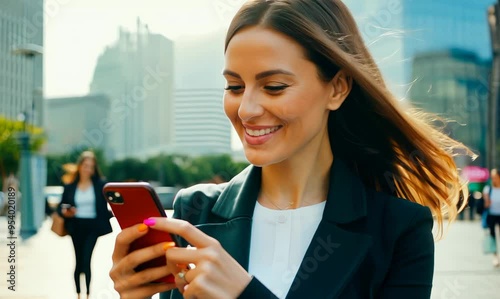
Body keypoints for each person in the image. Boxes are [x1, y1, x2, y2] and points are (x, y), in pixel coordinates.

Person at [109, 1, 471, 298]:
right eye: (234, 87)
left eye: (274, 86)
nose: (247, 109)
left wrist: (244, 295)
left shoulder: (399, 229)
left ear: (337, 89)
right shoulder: (195, 213)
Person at [57, 151, 112, 299]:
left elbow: (108, 204)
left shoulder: (100, 185)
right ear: (80, 166)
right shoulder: (70, 186)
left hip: (93, 227)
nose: (88, 169)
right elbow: (60, 206)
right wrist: (66, 211)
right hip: (76, 226)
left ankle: (88, 294)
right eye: (86, 165)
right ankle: (78, 294)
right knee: (78, 260)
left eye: (91, 167)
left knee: (87, 259)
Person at [482, 168, 500, 267]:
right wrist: (487, 202)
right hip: (492, 215)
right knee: (493, 236)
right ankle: (496, 257)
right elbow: (485, 206)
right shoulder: (488, 189)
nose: (494, 180)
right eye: (492, 178)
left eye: (496, 177)